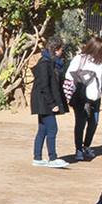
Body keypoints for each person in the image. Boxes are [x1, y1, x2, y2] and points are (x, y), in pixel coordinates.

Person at [67, 36, 102, 161]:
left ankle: (86, 146)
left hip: (95, 98)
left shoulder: (101, 63)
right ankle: (78, 149)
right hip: (81, 97)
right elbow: (69, 74)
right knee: (80, 123)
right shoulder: (80, 59)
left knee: (94, 123)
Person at [31, 38, 70, 168]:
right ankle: (52, 158)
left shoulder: (50, 63)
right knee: (52, 128)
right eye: (60, 50)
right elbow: (44, 86)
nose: (61, 53)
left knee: (42, 129)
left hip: (43, 102)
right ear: (55, 50)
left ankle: (37, 157)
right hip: (44, 103)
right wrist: (52, 104)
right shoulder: (44, 63)